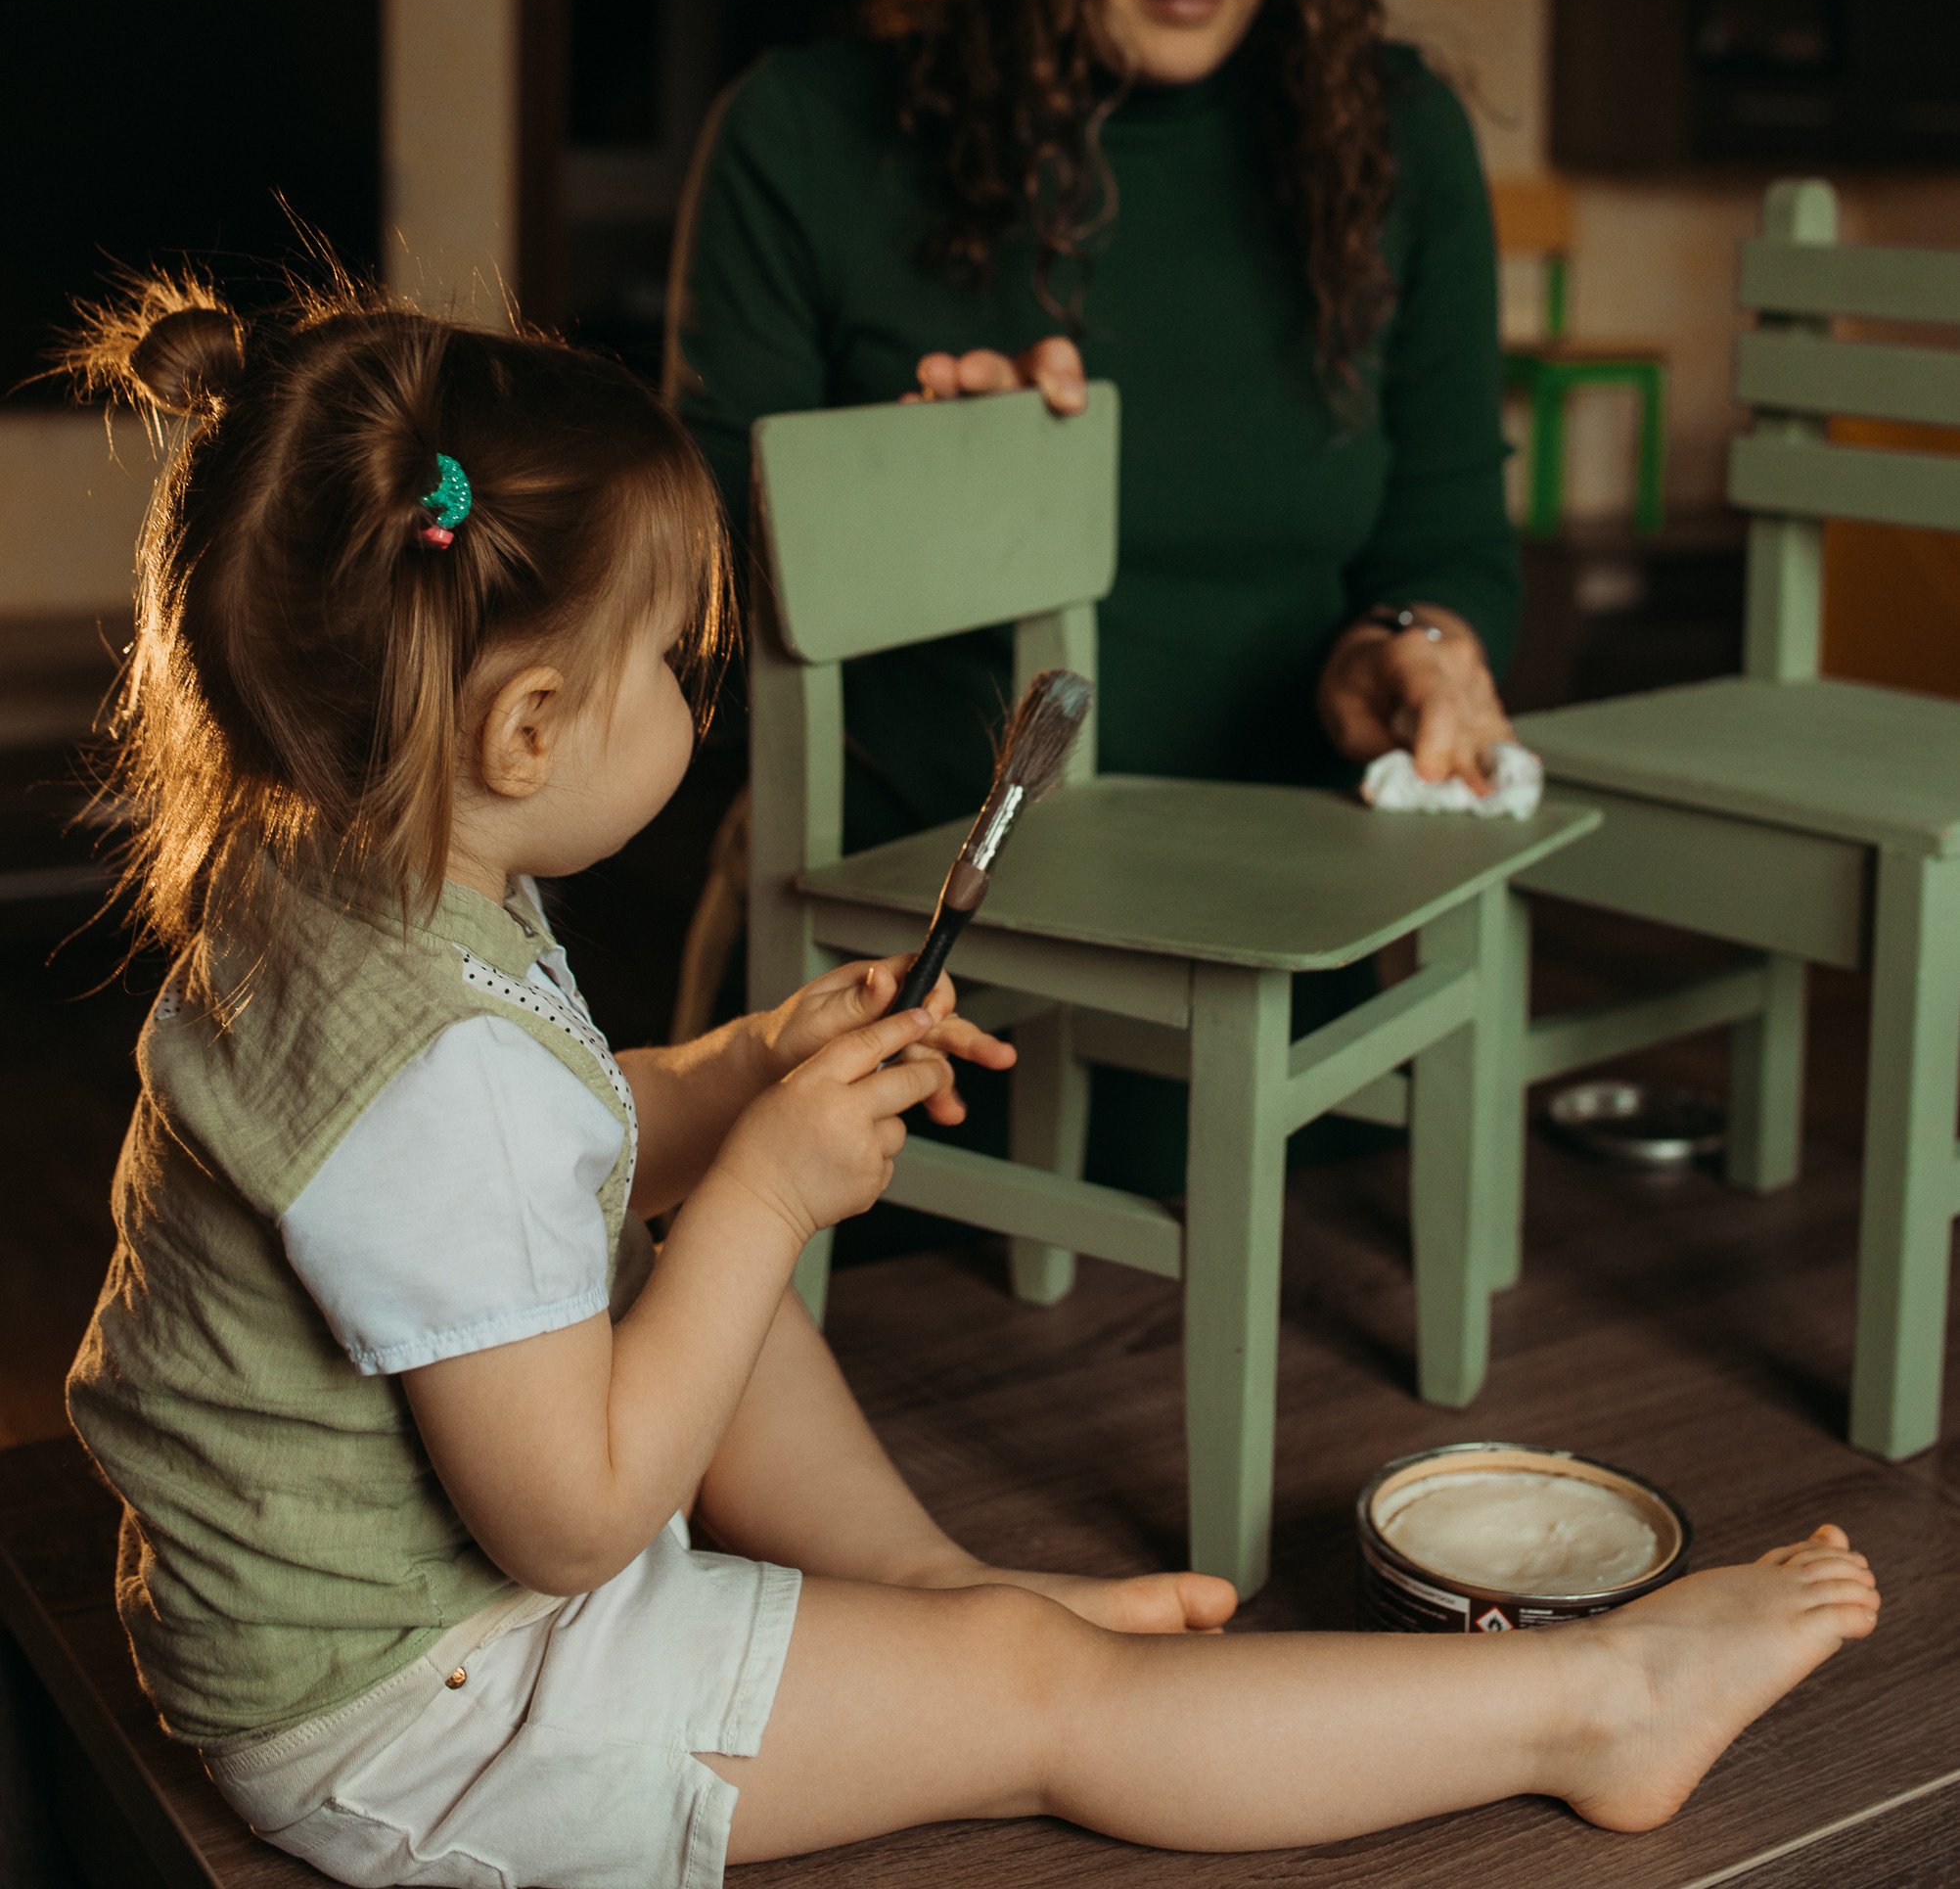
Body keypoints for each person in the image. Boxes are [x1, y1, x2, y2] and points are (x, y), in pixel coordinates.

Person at [64, 277, 1877, 1884]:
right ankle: (1592, 1706)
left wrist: (746, 1073)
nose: (703, 702)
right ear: (525, 728)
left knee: (690, 1272)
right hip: (421, 1709)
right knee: (1041, 1701)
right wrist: (765, 1186)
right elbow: (568, 1524)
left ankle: (928, 1603)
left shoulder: (344, 867)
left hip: (365, 1591)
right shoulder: (431, 1068)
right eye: (679, 664)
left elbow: (553, 1150)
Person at [672, 0, 1521, 880]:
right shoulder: (800, 136)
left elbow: (1449, 536)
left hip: (1283, 925)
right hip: (900, 960)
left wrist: (1411, 641)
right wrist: (903, 500)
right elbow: (690, 608)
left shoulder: (1399, 143)